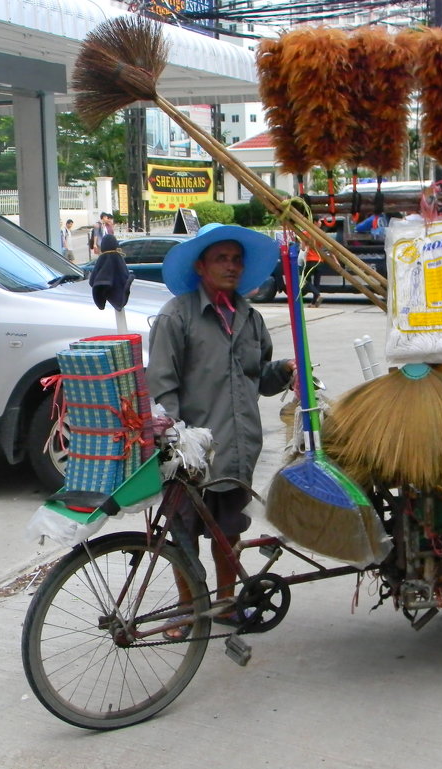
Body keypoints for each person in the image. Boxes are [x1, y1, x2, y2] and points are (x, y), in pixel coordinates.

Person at [146, 223, 295, 636]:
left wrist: (282, 371)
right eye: (221, 259)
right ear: (201, 266)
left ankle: (226, 603)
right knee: (184, 534)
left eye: (236, 259)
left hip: (237, 449)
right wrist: (176, 442)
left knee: (228, 532)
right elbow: (162, 385)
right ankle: (187, 608)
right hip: (190, 453)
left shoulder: (250, 318)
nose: (231, 266)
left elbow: (258, 380)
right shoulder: (177, 316)